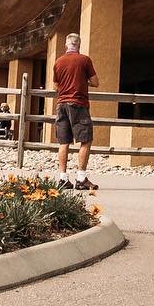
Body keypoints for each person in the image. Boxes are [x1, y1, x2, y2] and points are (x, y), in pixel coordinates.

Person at [52, 33, 99, 191]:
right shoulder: (85, 60)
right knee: (85, 140)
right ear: (78, 45)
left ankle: (63, 179)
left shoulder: (58, 62)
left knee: (63, 141)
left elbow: (55, 86)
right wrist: (81, 81)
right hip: (78, 104)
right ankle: (81, 178)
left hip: (61, 104)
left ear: (66, 45)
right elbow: (95, 82)